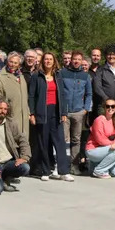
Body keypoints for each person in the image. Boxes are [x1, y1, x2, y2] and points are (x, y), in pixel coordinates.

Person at [28, 52, 73, 182]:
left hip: (56, 112)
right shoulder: (37, 76)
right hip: (42, 112)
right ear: (42, 61)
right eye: (46, 59)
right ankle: (46, 171)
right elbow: (31, 96)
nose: (48, 61)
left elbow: (62, 96)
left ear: (54, 62)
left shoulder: (58, 75)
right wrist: (32, 113)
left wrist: (64, 112)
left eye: (50, 59)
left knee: (59, 143)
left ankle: (64, 171)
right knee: (44, 143)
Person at [61, 51, 92, 175]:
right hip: (65, 112)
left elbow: (89, 93)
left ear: (81, 61)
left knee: (76, 140)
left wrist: (85, 109)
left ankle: (74, 165)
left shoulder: (85, 76)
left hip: (78, 112)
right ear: (71, 60)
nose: (76, 61)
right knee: (63, 139)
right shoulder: (62, 73)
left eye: (79, 59)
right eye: (74, 59)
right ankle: (63, 165)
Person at [0, 52, 30, 135]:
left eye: (15, 63)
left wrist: (28, 113)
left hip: (24, 120)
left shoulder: (21, 76)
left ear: (19, 64)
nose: (13, 65)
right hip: (10, 118)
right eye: (11, 62)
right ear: (7, 61)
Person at [85, 99, 115, 178]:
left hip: (106, 150)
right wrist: (113, 144)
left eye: (113, 106)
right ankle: (99, 171)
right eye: (108, 106)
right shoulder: (99, 120)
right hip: (93, 150)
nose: (110, 108)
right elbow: (100, 140)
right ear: (104, 107)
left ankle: (94, 165)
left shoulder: (114, 120)